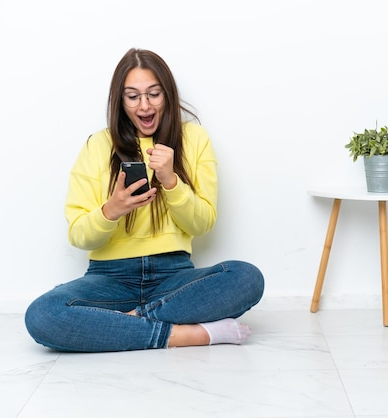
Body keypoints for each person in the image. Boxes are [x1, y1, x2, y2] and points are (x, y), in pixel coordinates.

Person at [25, 48, 264, 352]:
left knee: (247, 278)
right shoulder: (98, 145)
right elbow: (78, 235)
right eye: (133, 96)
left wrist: (171, 181)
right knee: (43, 315)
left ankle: (126, 322)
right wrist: (112, 210)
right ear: (120, 101)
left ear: (168, 94)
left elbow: (203, 223)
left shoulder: (194, 139)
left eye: (154, 94)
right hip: (109, 278)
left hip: (173, 277)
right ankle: (185, 335)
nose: (145, 105)